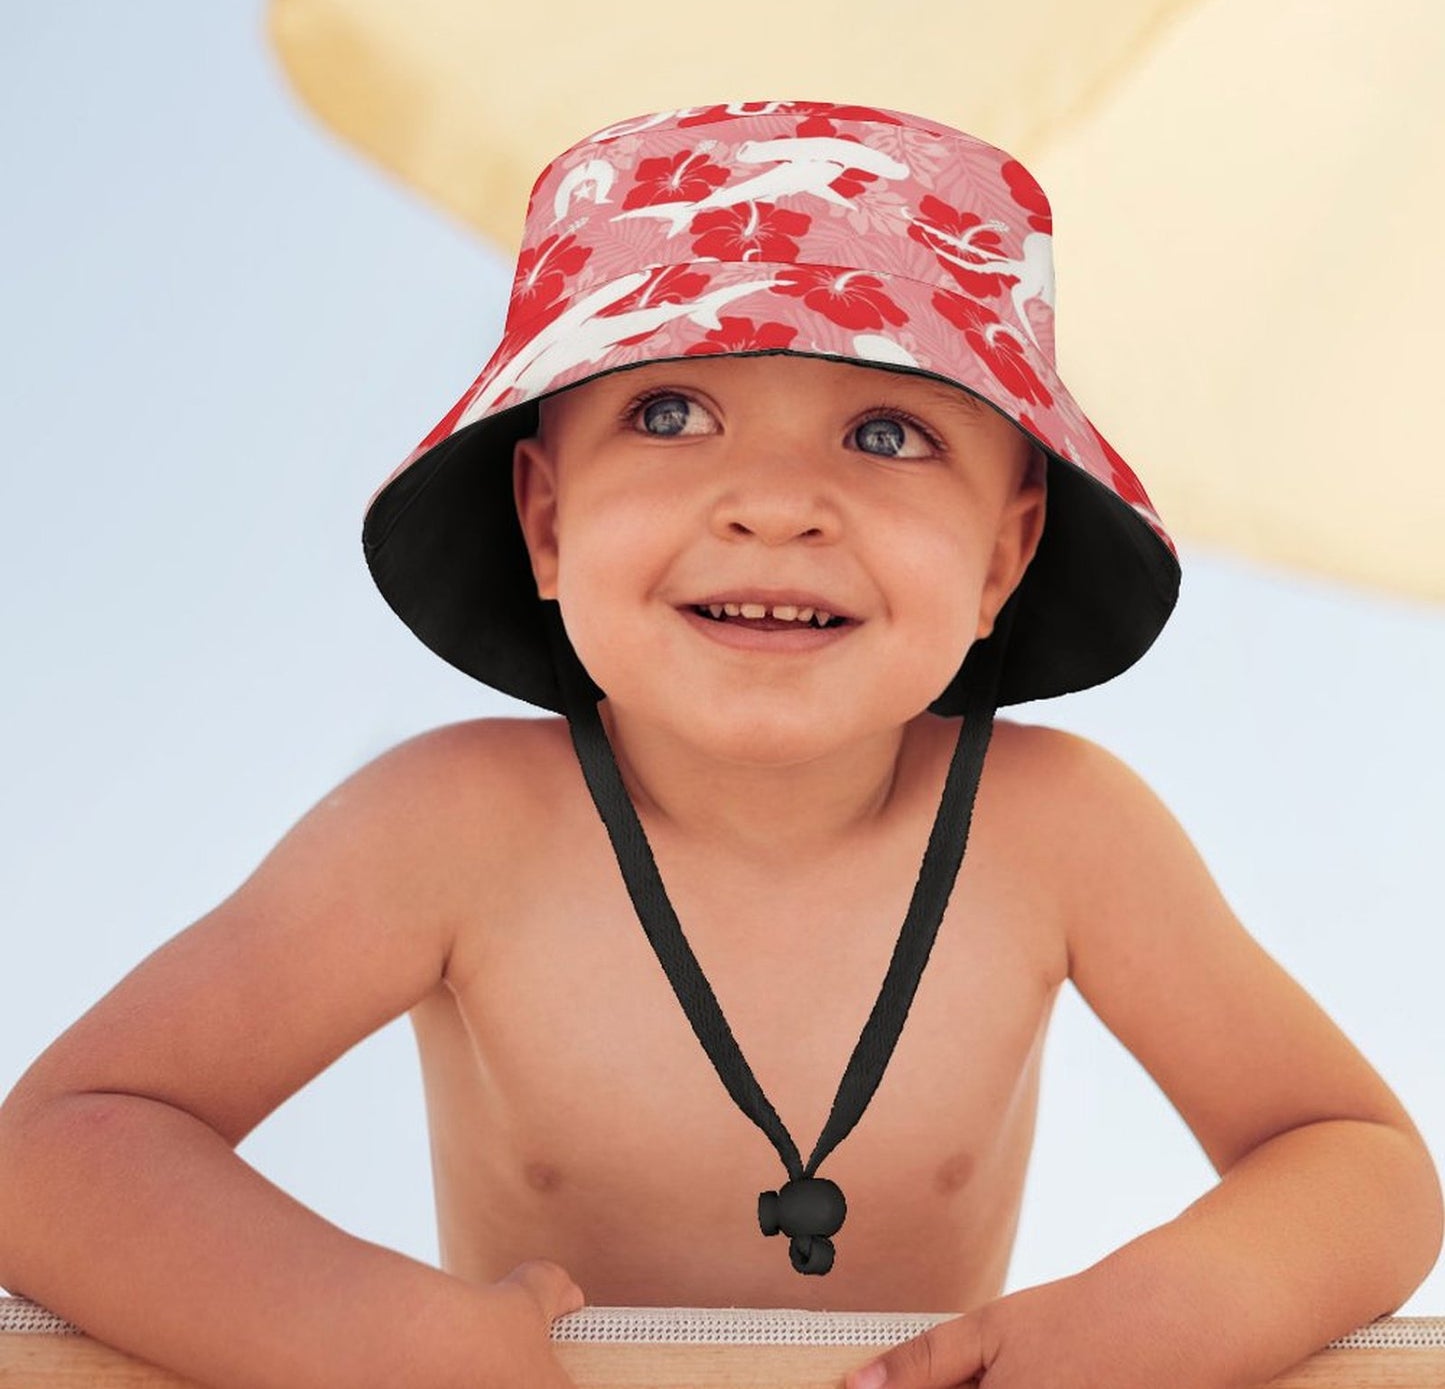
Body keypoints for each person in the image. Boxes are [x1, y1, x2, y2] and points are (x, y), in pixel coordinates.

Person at [0, 100, 1438, 1389]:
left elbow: (1361, 1164)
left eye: (884, 433)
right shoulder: (446, 829)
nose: (771, 504)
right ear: (546, 521)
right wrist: (387, 1339)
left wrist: (1159, 1315)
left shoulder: (1057, 831)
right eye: (670, 410)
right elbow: (61, 1151)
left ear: (1004, 558)